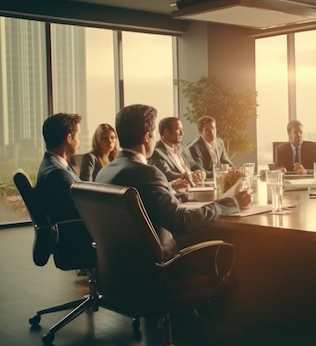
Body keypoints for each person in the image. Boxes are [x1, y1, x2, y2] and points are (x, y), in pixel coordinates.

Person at [95, 104, 252, 252]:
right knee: (232, 238)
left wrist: (169, 188)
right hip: (164, 263)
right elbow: (183, 222)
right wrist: (230, 202)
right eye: (155, 132)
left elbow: (149, 202)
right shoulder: (147, 173)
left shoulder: (104, 173)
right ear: (146, 136)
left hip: (125, 265)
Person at [35, 113, 94, 267]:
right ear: (69, 138)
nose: (79, 142)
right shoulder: (59, 175)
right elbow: (81, 210)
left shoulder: (51, 165)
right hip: (76, 241)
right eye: (78, 136)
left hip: (70, 237)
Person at [149, 117, 206, 184]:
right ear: (166, 132)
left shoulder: (182, 146)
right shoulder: (156, 152)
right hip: (177, 190)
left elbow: (193, 164)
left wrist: (202, 173)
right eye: (178, 130)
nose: (182, 133)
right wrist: (186, 176)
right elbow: (167, 174)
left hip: (194, 186)